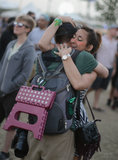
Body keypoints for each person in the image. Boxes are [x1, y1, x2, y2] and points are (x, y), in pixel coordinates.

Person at [21, 17, 108, 160]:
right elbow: (43, 44)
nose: (73, 40)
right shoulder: (66, 51)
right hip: (60, 113)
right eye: (73, 36)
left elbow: (102, 73)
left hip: (72, 117)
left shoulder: (81, 56)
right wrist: (59, 20)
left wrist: (66, 56)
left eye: (79, 38)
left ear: (89, 46)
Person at [0, 15, 36, 160]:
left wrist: (7, 87)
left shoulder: (29, 49)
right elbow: (2, 64)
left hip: (13, 92)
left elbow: (24, 75)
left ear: (28, 29)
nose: (16, 25)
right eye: (15, 23)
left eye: (20, 24)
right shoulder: (11, 43)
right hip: (0, 90)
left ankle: (5, 152)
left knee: (11, 123)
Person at [89, 24, 118, 111]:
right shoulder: (102, 39)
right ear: (110, 29)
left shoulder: (115, 42)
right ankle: (83, 96)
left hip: (109, 67)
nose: (116, 32)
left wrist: (114, 68)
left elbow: (114, 56)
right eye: (115, 30)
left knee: (101, 87)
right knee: (94, 86)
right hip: (100, 66)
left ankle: (95, 105)